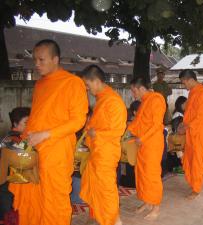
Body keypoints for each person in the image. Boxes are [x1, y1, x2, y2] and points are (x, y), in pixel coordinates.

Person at [9, 39, 89, 225]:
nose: (36, 64)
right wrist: (23, 143)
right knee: (33, 197)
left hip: (56, 152)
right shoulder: (40, 84)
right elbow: (36, 117)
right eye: (35, 60)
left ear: (55, 59)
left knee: (54, 200)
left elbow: (78, 120)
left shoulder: (72, 83)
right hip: (34, 149)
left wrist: (45, 134)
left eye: (41, 60)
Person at [80, 65, 127, 225]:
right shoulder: (102, 100)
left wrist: (95, 134)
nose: (87, 89)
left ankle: (114, 220)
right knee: (95, 187)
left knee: (106, 190)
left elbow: (117, 130)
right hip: (97, 152)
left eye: (87, 84)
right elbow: (97, 124)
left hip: (106, 153)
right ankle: (97, 215)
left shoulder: (113, 101)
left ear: (96, 81)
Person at [127, 78, 166, 220]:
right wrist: (127, 130)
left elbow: (156, 125)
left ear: (141, 88)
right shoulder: (145, 101)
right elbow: (138, 121)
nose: (133, 94)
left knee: (152, 174)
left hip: (152, 144)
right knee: (142, 174)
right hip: (143, 144)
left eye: (133, 90)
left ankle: (156, 207)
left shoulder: (156, 99)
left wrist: (142, 138)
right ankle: (147, 201)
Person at [179, 69, 203, 199]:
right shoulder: (193, 93)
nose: (184, 86)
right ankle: (195, 182)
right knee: (190, 158)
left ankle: (196, 189)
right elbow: (190, 113)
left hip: (200, 131)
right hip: (191, 131)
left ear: (190, 80)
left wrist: (186, 125)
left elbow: (201, 116)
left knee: (197, 160)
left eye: (184, 83)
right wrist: (184, 124)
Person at [0, 107, 30, 222]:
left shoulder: (8, 138)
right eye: (26, 123)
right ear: (15, 123)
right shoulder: (14, 140)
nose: (29, 126)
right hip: (9, 190)